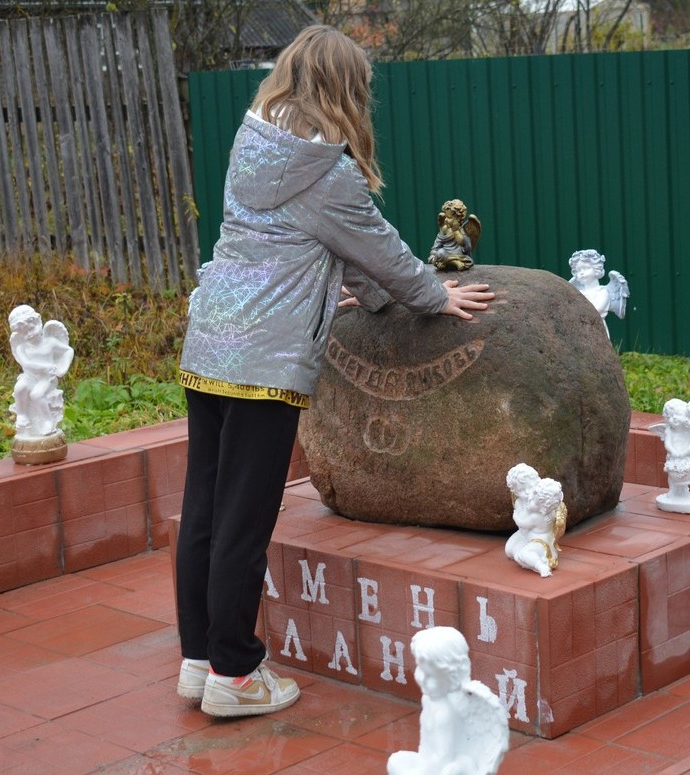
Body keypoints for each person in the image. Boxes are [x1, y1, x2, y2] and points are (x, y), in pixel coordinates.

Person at [174, 26, 493, 718]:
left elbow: (335, 252)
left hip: (210, 340)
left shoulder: (254, 141)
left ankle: (199, 657)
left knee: (203, 506)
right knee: (243, 517)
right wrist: (436, 295)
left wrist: (368, 292)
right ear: (345, 89)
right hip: (264, 358)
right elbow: (379, 251)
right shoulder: (327, 169)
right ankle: (234, 673)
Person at [387, 627, 508, 775]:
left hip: (447, 766)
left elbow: (443, 758)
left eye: (431, 675)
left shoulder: (445, 713)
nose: (423, 679)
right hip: (429, 762)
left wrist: (420, 771)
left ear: (451, 676)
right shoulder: (428, 700)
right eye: (420, 669)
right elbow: (425, 747)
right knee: (395, 761)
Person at [8, 305, 74, 439]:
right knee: (20, 387)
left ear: (38, 321)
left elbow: (68, 350)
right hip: (30, 376)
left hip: (47, 378)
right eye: (24, 333)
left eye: (31, 328)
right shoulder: (22, 347)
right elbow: (26, 364)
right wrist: (44, 367)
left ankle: (47, 420)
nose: (29, 334)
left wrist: (61, 369)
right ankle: (22, 416)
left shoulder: (51, 342)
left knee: (36, 394)